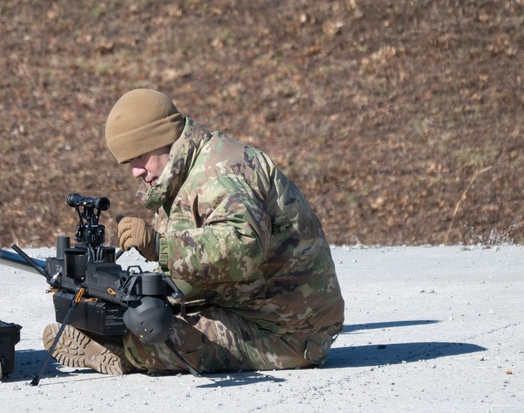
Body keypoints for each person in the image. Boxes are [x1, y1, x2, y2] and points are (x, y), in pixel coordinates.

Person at [43, 88, 345, 375]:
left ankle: (123, 354)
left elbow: (243, 248)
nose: (135, 171)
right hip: (250, 303)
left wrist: (160, 246)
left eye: (138, 157)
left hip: (290, 331)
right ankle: (113, 336)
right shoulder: (184, 171)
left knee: (156, 341)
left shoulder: (220, 174)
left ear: (161, 138)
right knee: (134, 315)